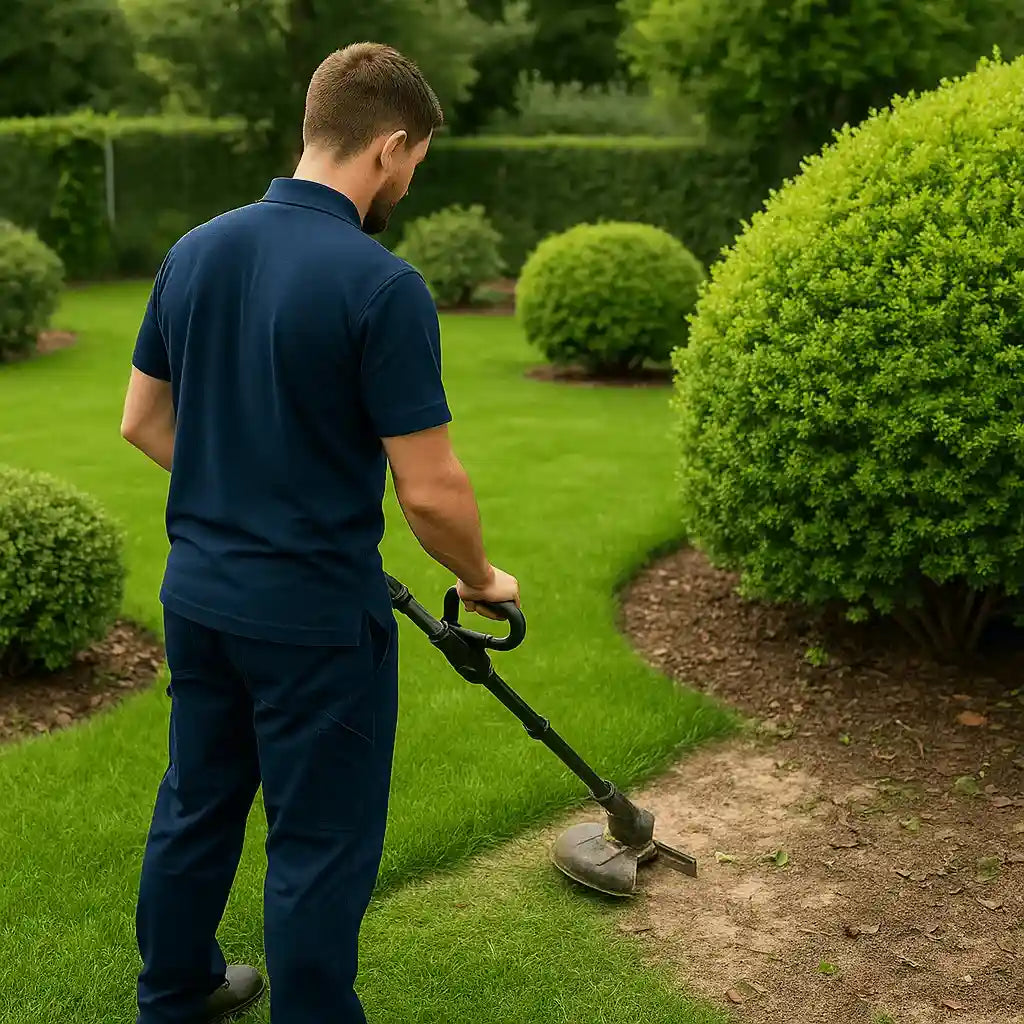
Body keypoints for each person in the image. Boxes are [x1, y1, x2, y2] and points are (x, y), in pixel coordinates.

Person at [119, 41, 520, 1024]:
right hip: (313, 623)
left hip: (200, 597)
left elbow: (141, 420)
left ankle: (174, 995)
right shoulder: (381, 286)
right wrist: (482, 576)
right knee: (318, 841)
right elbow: (429, 491)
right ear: (388, 147)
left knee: (196, 804)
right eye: (416, 159)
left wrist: (241, 489)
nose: (410, 179)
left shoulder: (196, 250)